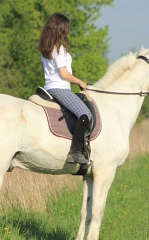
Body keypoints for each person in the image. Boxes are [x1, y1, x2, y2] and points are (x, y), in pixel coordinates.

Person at [38, 13, 92, 164]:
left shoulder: (45, 48)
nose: (67, 32)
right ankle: (74, 152)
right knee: (85, 113)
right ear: (61, 29)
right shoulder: (58, 48)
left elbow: (45, 71)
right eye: (66, 29)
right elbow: (64, 74)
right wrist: (80, 82)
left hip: (49, 87)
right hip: (60, 88)